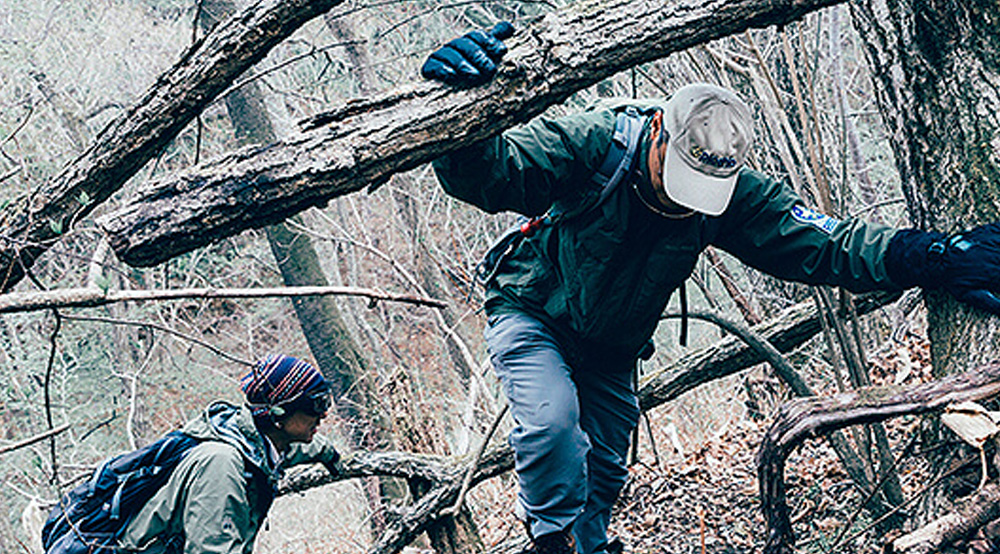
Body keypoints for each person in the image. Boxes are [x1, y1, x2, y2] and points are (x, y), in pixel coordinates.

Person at [421, 24, 1000, 554]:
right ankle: (552, 543)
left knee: (606, 469)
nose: (685, 200)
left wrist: (935, 256)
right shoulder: (595, 142)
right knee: (553, 427)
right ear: (659, 134)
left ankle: (588, 546)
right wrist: (461, 114)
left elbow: (825, 244)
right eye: (681, 180)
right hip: (533, 312)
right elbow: (497, 173)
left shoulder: (732, 194)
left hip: (612, 345)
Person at [117, 354, 342, 554]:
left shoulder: (255, 441)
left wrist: (331, 455)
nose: (323, 414)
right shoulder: (220, 465)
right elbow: (212, 550)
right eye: (316, 404)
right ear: (279, 413)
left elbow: (294, 448)